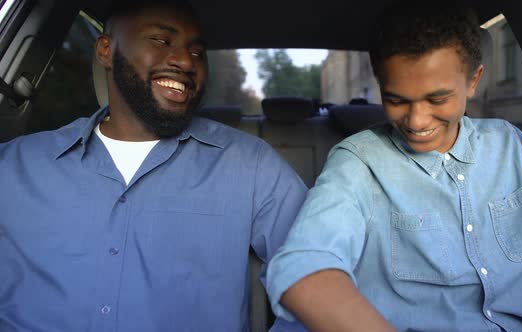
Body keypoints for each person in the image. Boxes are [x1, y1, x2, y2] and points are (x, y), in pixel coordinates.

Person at [266, 4, 522, 332]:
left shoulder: (510, 145)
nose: (417, 121)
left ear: (473, 81)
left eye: (437, 99)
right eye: (396, 100)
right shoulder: (358, 162)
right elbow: (303, 267)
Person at [0, 0, 307, 331]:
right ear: (105, 50)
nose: (187, 61)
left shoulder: (250, 165)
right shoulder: (14, 166)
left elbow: (322, 271)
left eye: (198, 53)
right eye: (162, 41)